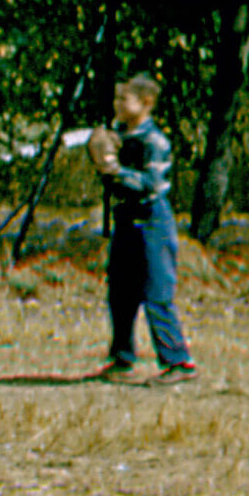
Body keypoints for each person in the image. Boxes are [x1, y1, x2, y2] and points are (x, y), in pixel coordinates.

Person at [87, 73, 197, 385]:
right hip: (126, 219)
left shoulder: (155, 141)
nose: (117, 104)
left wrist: (115, 169)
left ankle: (179, 363)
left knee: (157, 291)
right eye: (117, 98)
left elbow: (152, 184)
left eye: (125, 99)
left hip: (152, 221)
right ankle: (122, 359)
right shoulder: (120, 135)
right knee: (120, 292)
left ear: (145, 103)